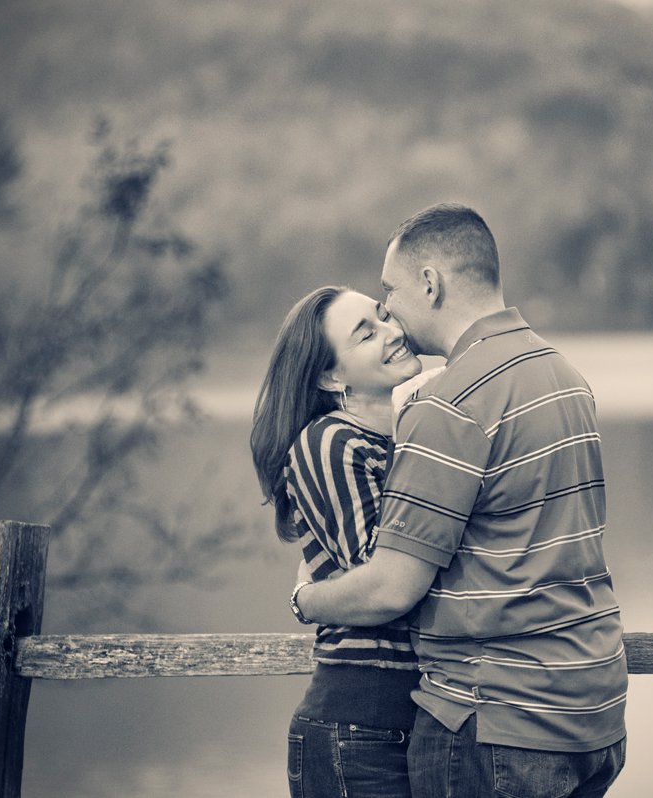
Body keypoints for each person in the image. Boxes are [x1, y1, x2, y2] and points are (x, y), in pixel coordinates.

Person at [293, 204, 628, 797]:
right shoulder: (567, 378)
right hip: (595, 713)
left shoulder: (449, 404)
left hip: (498, 722)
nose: (390, 310)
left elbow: (394, 587)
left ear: (430, 282)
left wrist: (307, 597)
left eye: (390, 292)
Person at [251, 285, 432, 798]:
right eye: (366, 333)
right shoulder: (331, 439)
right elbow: (386, 582)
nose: (394, 332)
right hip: (358, 727)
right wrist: (305, 602)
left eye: (384, 316)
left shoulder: (410, 435)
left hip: (420, 718)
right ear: (331, 376)